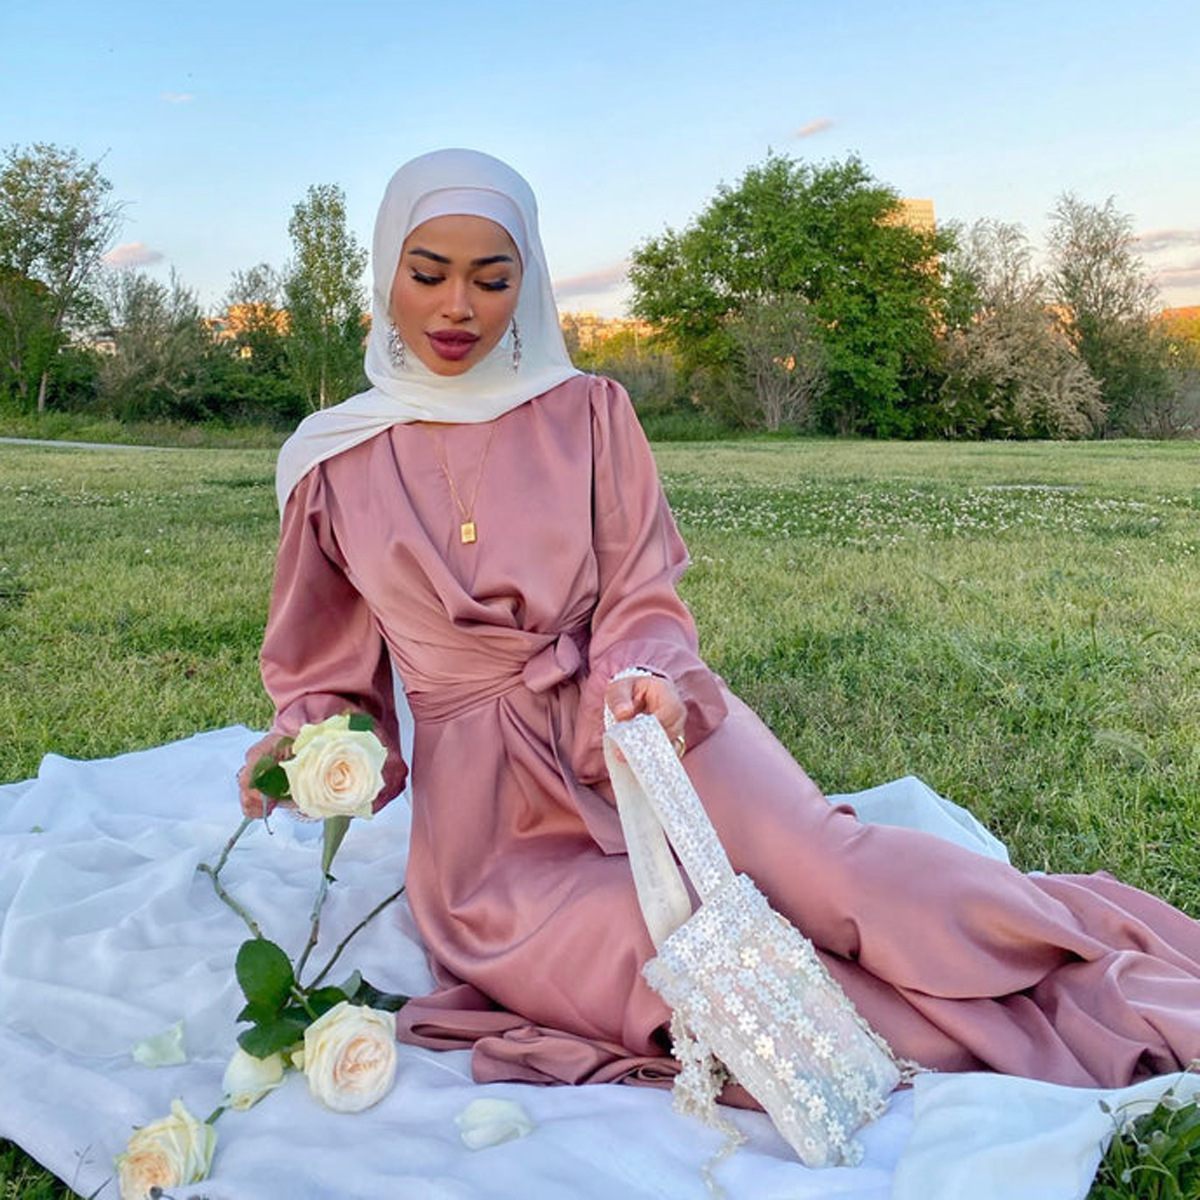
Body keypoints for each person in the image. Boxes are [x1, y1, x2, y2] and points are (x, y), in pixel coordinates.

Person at [239, 148, 1200, 1098]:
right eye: (429, 275)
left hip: (642, 722)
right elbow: (329, 678)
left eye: (492, 281)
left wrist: (649, 680)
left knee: (835, 877)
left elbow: (640, 591)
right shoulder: (330, 463)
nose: (459, 307)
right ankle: (969, 1045)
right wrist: (305, 754)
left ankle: (1103, 969)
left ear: (525, 286)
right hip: (495, 833)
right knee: (677, 957)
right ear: (387, 273)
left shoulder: (588, 413)